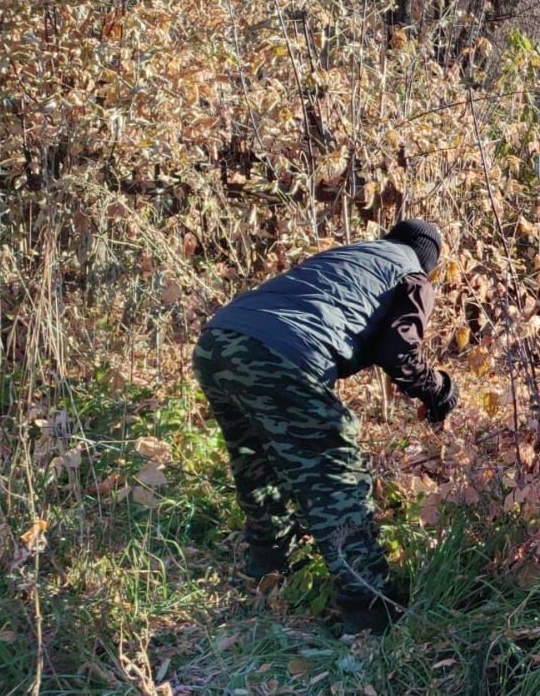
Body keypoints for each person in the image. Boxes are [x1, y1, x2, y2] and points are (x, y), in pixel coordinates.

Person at [192, 219, 459, 634]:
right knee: (335, 476)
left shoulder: (352, 254)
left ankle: (268, 567)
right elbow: (399, 351)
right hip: (283, 354)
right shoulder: (412, 274)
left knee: (255, 461)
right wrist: (439, 391)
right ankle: (370, 609)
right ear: (430, 260)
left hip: (218, 342)